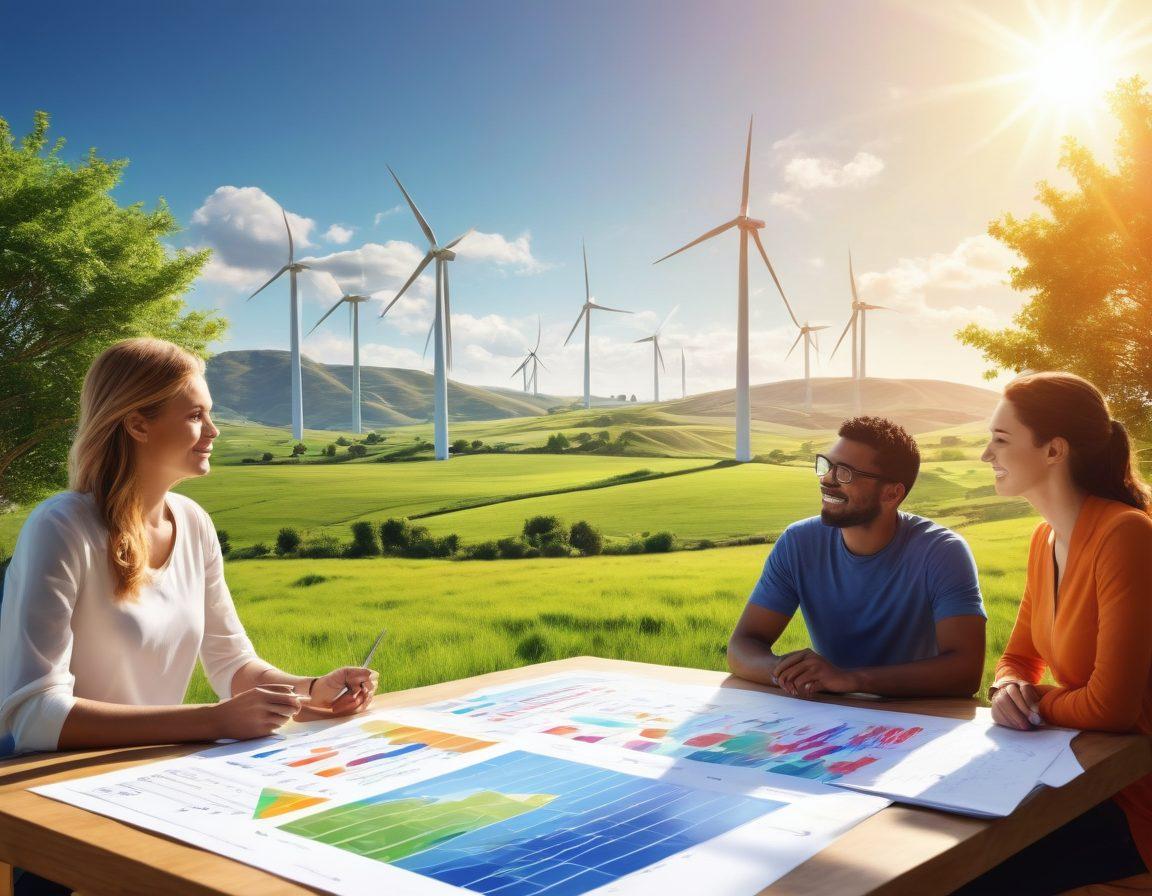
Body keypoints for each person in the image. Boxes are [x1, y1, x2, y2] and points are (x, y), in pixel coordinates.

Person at [0, 337, 380, 760]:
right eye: (196, 415)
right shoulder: (60, 527)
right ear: (138, 425)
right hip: (56, 779)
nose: (213, 431)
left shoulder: (193, 522)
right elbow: (35, 714)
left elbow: (232, 663)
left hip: (149, 770)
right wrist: (212, 721)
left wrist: (312, 689)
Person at [954, 372, 1152, 896]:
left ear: (1054, 450)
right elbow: (1018, 657)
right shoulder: (1045, 539)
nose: (986, 454)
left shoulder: (1125, 534)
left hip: (1134, 798)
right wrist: (1007, 689)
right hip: (1084, 776)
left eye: (1000, 440)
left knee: (969, 874)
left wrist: (1035, 702)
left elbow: (1112, 708)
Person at [727, 416, 986, 698]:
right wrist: (789, 674)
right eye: (827, 466)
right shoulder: (797, 543)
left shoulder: (943, 552)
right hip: (833, 713)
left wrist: (852, 680)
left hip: (918, 714)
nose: (827, 479)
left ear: (892, 493)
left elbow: (966, 671)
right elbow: (742, 645)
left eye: (845, 473)